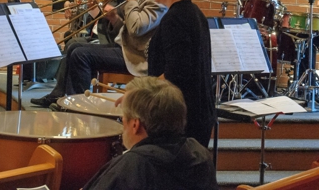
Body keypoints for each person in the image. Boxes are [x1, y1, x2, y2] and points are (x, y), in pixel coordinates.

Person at [31, 0, 166, 107]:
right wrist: (112, 16)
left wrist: (131, 1)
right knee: (74, 46)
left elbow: (137, 28)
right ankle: (60, 97)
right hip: (124, 48)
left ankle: (78, 106)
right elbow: (124, 28)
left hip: (137, 58)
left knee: (81, 55)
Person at [82, 76, 219, 190]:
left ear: (135, 125)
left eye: (124, 117)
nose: (123, 121)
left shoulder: (132, 166)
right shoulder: (200, 156)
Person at [146, 0, 215, 148]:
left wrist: (140, 92)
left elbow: (177, 72)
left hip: (181, 116)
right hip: (198, 111)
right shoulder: (196, 13)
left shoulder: (174, 19)